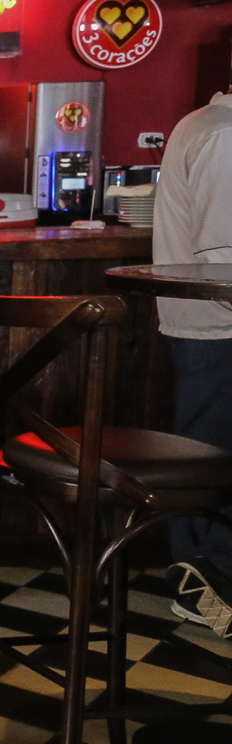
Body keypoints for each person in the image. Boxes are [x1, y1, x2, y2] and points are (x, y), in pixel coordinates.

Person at [152, 84, 232, 637]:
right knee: (211, 464)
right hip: (218, 329)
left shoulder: (206, 123)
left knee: (206, 459)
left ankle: (203, 583)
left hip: (208, 328)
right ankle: (204, 588)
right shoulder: (224, 136)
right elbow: (226, 265)